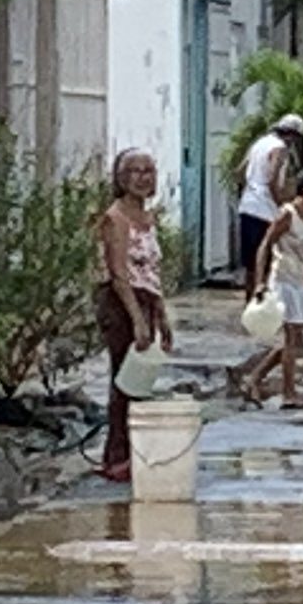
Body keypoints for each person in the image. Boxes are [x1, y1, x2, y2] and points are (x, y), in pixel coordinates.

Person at [94, 149, 174, 483]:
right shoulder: (116, 218)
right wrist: (137, 320)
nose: (143, 177)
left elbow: (151, 272)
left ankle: (132, 451)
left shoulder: (147, 217)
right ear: (121, 177)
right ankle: (116, 456)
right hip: (121, 303)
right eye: (135, 171)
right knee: (123, 382)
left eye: (149, 171)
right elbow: (119, 273)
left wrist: (160, 314)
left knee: (140, 383)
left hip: (145, 301)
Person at [243, 170, 303, 410]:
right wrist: (259, 282)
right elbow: (265, 245)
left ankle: (254, 378)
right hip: (282, 280)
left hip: (298, 282)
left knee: (294, 339)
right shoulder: (287, 214)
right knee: (291, 337)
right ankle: (288, 393)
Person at [238, 115, 303, 299]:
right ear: (292, 135)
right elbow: (272, 178)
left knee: (250, 264)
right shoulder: (280, 148)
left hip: (248, 205)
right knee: (265, 261)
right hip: (264, 210)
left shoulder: (260, 143)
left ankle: (249, 304)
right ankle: (262, 304)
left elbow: (240, 170)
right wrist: (281, 203)